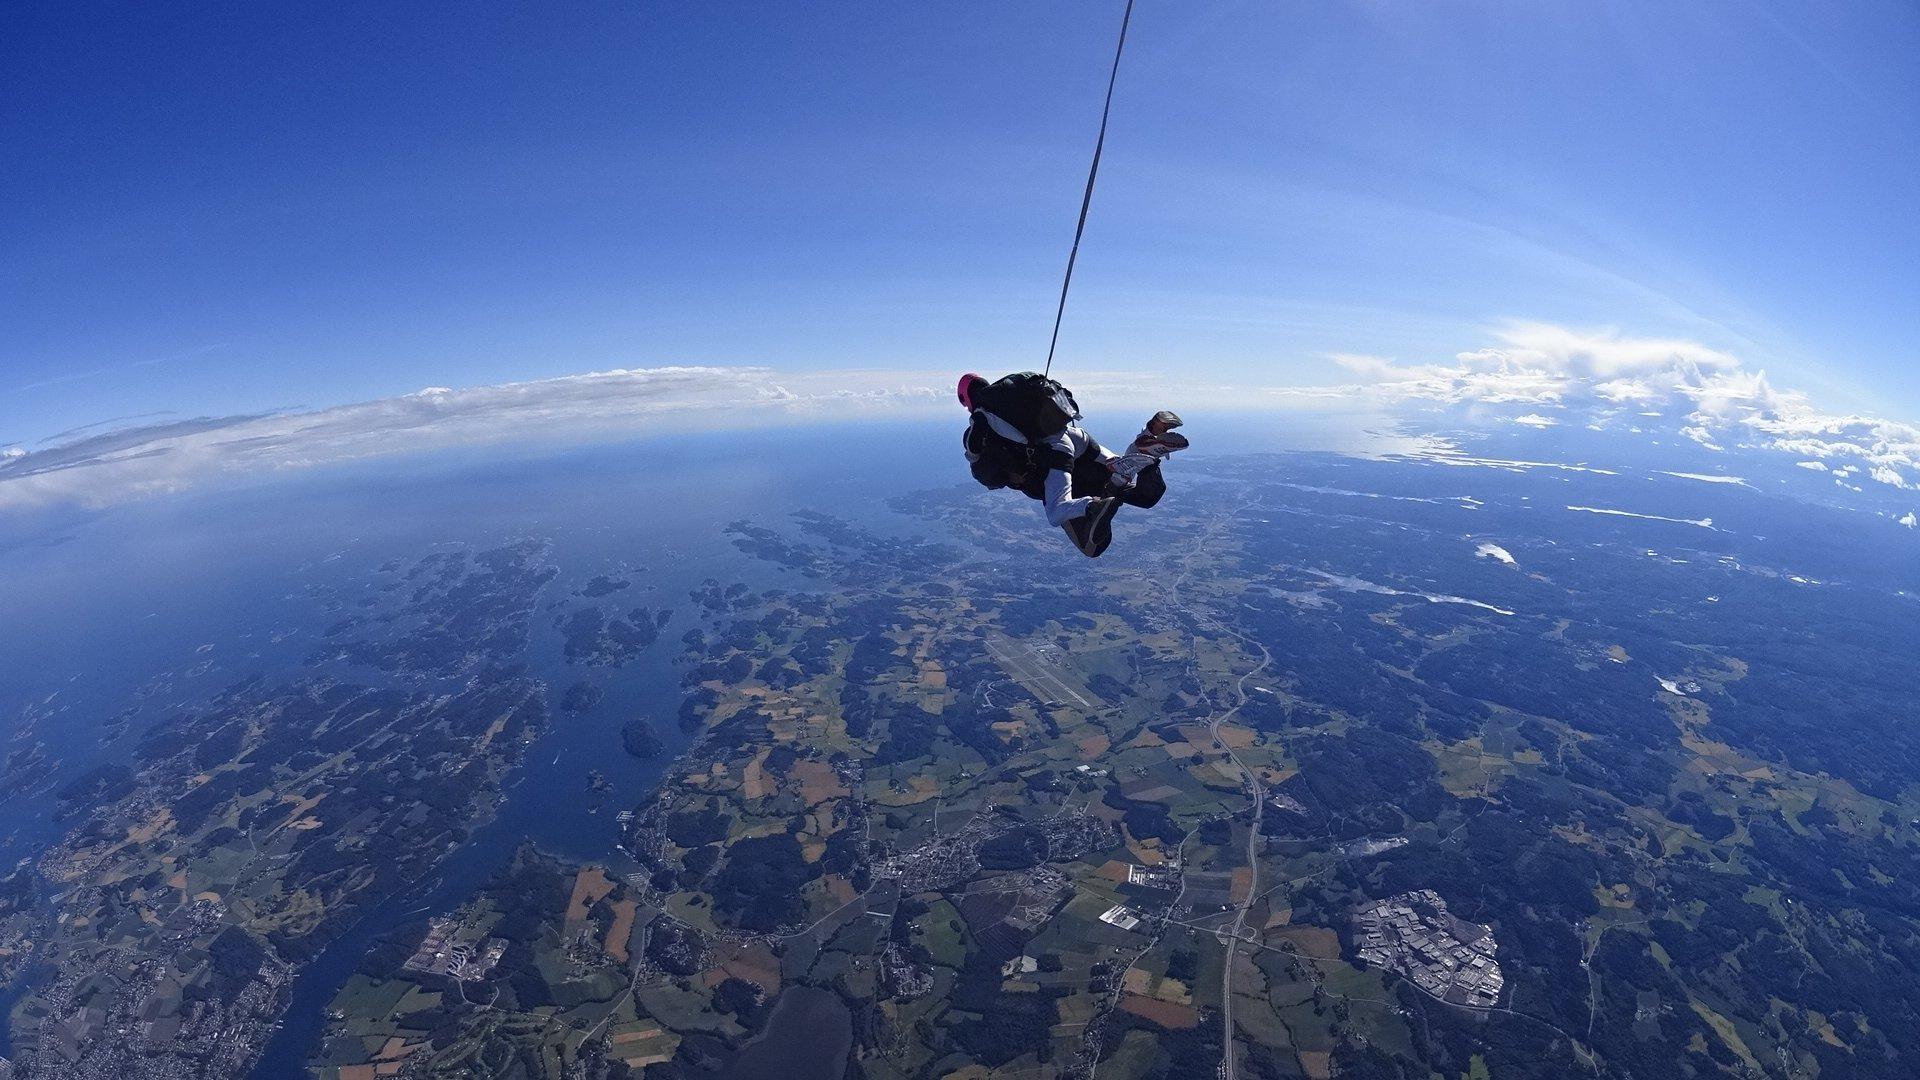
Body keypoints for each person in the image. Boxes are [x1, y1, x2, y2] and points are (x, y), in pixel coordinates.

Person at [957, 371, 1187, 557]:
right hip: (1077, 437)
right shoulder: (1009, 397)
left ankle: (1092, 505)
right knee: (1144, 496)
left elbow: (985, 475)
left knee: (1061, 517)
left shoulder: (980, 418)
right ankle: (1145, 441)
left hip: (1057, 451)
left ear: (965, 399)